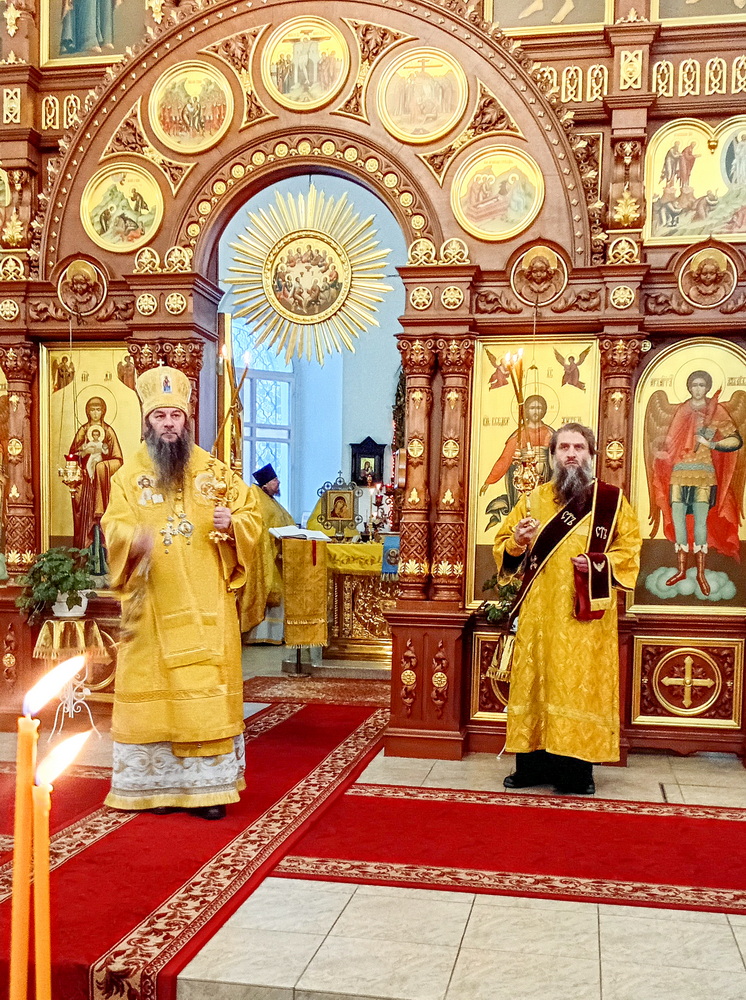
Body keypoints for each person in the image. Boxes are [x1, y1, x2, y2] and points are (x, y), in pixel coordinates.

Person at [101, 366, 262, 819]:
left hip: (207, 604)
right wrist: (132, 539)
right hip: (151, 605)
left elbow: (252, 517)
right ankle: (156, 787)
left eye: (175, 415)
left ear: (187, 419)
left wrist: (234, 525)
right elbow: (113, 526)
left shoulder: (216, 472)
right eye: (160, 416)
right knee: (156, 692)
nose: (168, 423)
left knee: (203, 693)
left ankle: (209, 791)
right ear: (147, 422)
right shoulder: (128, 476)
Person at [493, 424, 641, 795]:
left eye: (579, 447)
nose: (571, 454)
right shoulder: (532, 500)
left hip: (584, 620)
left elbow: (629, 552)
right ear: (552, 455)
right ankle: (531, 767)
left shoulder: (611, 502)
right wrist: (517, 541)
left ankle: (576, 773)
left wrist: (595, 565)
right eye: (563, 448)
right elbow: (505, 551)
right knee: (536, 685)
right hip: (539, 617)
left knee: (578, 690)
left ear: (591, 455)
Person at [648, 370, 743, 596]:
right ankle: (682, 570)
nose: (698, 389)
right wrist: (661, 454)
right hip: (679, 473)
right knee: (678, 520)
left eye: (702, 385)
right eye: (694, 385)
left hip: (703, 474)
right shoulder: (682, 409)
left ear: (707, 387)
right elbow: (671, 441)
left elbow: (735, 441)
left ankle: (700, 573)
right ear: (689, 387)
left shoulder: (716, 410)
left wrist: (711, 444)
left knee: (701, 522)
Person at [240, 463, 295, 643]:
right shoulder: (257, 498)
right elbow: (262, 526)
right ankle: (261, 634)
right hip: (266, 553)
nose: (278, 483)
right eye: (274, 480)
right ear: (265, 484)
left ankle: (275, 634)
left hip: (278, 553)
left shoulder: (270, 500)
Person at [67, 396, 123, 550]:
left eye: (98, 410)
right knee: (85, 518)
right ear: (87, 412)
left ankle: (104, 556)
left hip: (103, 487)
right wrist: (84, 453)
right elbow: (72, 456)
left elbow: (118, 460)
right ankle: (85, 554)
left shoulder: (108, 432)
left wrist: (101, 468)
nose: (95, 413)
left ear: (103, 411)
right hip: (86, 484)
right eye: (92, 410)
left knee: (103, 519)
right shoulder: (83, 431)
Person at [480, 395, 554, 507]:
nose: (535, 412)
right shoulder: (519, 434)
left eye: (539, 408)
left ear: (544, 410)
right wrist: (490, 480)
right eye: (532, 408)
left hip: (545, 475)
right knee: (524, 506)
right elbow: (505, 459)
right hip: (523, 477)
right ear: (526, 411)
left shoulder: (550, 433)